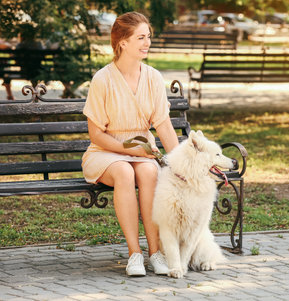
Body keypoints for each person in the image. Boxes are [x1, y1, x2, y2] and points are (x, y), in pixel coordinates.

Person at [81, 12, 179, 276]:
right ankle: (134, 254)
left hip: (142, 152)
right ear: (122, 42)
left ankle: (155, 253)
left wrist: (181, 161)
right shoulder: (103, 79)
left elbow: (164, 125)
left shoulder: (154, 78)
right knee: (125, 172)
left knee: (148, 172)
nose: (147, 42)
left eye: (148, 37)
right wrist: (127, 150)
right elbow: (96, 135)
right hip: (105, 152)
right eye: (140, 37)